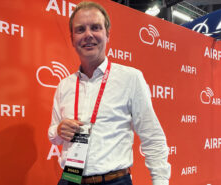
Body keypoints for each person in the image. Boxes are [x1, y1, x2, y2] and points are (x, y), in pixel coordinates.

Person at [48, 1, 171, 185]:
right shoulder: (64, 86)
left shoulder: (131, 78)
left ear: (107, 35)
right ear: (73, 39)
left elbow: (152, 137)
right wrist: (58, 130)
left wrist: (160, 182)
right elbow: (53, 135)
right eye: (80, 30)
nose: (88, 35)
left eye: (95, 28)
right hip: (70, 179)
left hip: (114, 181)